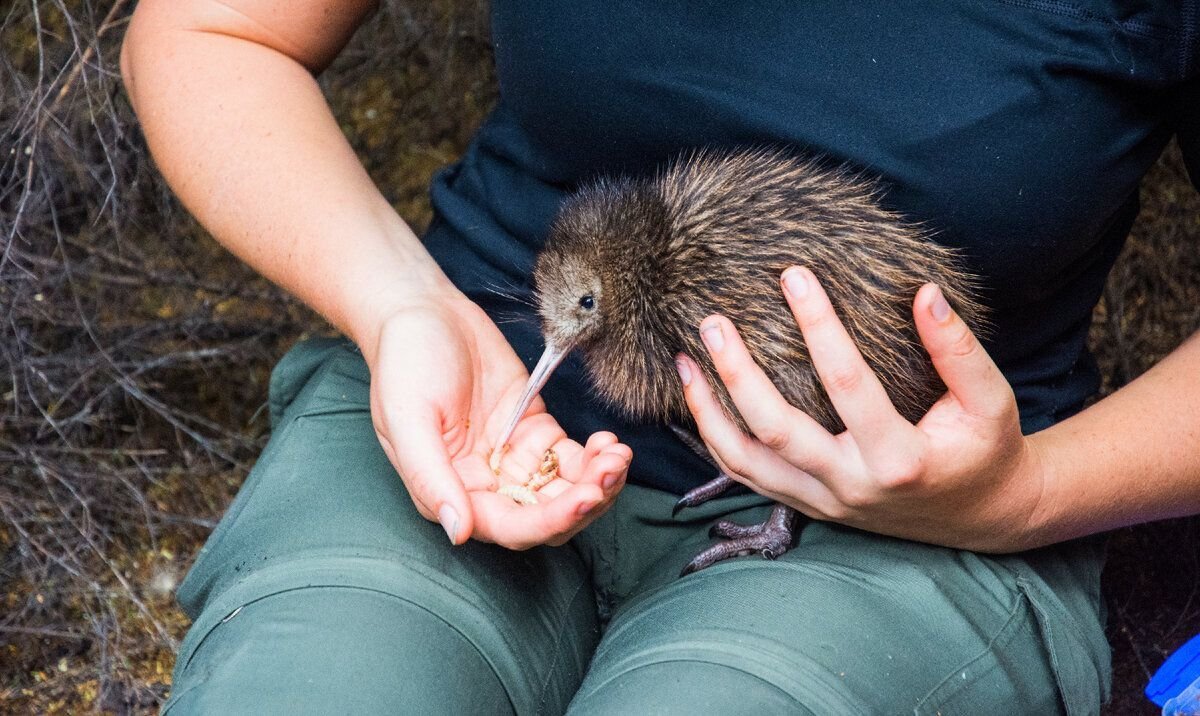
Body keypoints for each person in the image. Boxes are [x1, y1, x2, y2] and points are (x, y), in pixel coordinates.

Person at [120, 1, 1200, 713]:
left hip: (921, 517)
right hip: (470, 405)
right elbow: (214, 32)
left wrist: (1023, 493)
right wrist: (404, 307)